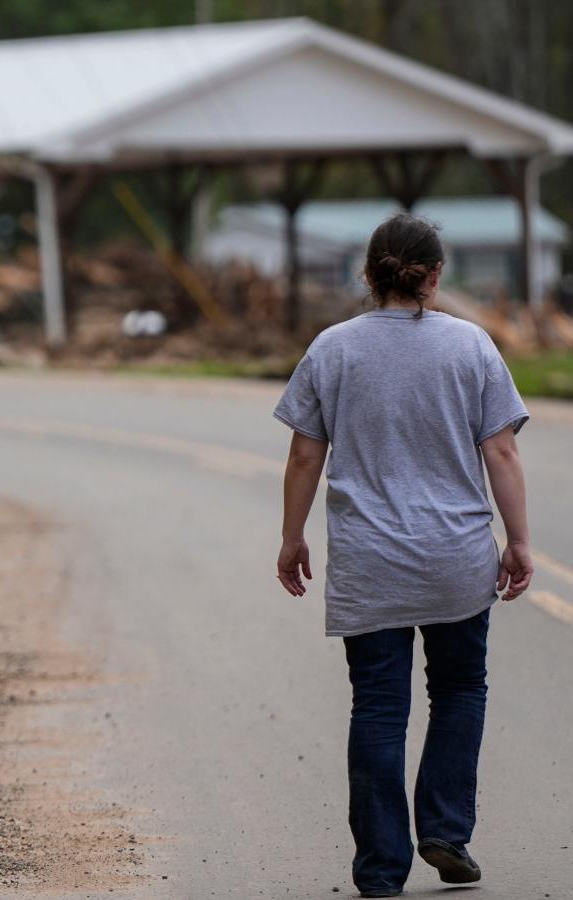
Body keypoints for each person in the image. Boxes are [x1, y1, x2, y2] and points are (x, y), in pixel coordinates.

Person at [272, 213, 532, 898]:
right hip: (456, 558)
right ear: (436, 274)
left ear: (369, 272)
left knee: (378, 708)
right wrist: (520, 540)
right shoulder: (471, 346)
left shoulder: (333, 348)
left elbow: (305, 452)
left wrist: (292, 535)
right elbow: (501, 450)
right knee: (458, 690)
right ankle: (445, 828)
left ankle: (382, 868)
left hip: (370, 561)